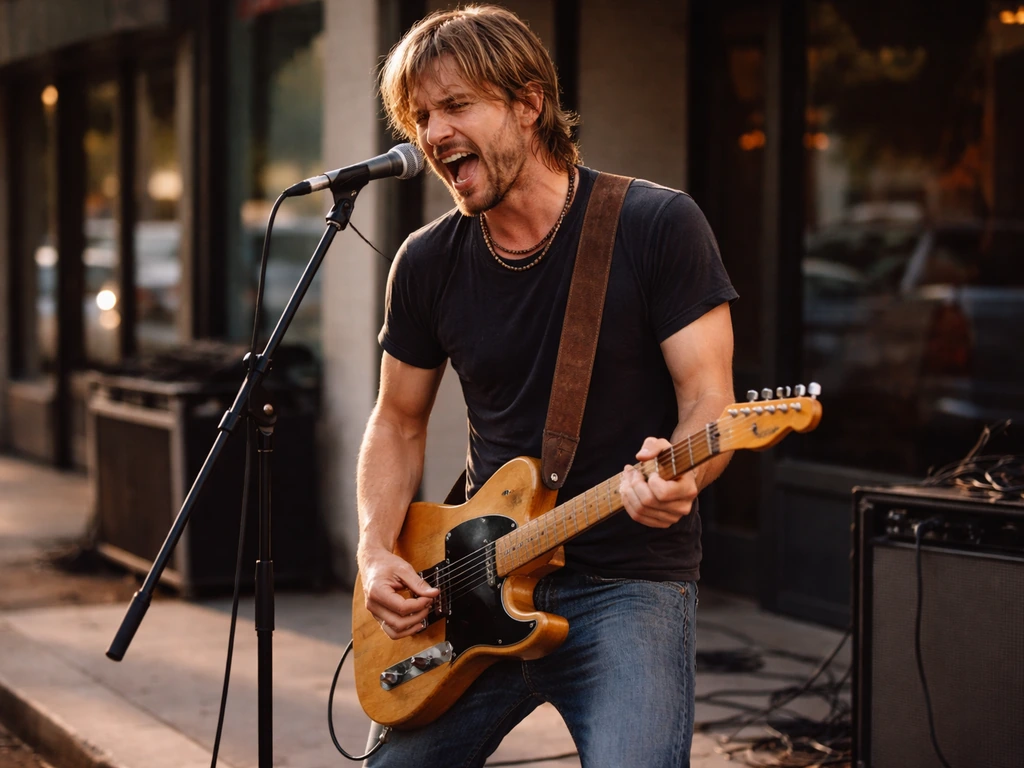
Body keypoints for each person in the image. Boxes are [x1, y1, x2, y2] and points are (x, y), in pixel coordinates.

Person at [356, 5, 737, 767]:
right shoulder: (427, 262)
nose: (432, 135)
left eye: (456, 105)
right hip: (472, 580)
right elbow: (397, 422)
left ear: (529, 104)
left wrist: (682, 475)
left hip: (630, 581)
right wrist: (372, 549)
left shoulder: (656, 225)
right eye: (422, 116)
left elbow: (711, 402)